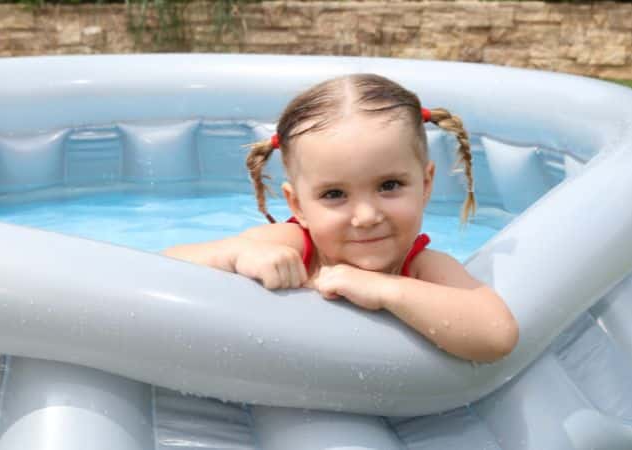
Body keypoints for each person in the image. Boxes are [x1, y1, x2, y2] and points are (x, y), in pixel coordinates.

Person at [163, 74, 517, 362]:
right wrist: (235, 255)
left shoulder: (420, 268)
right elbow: (163, 268)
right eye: (334, 194)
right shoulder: (295, 248)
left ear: (425, 185)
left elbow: (497, 335)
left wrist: (385, 290)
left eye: (389, 185)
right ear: (298, 205)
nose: (365, 217)